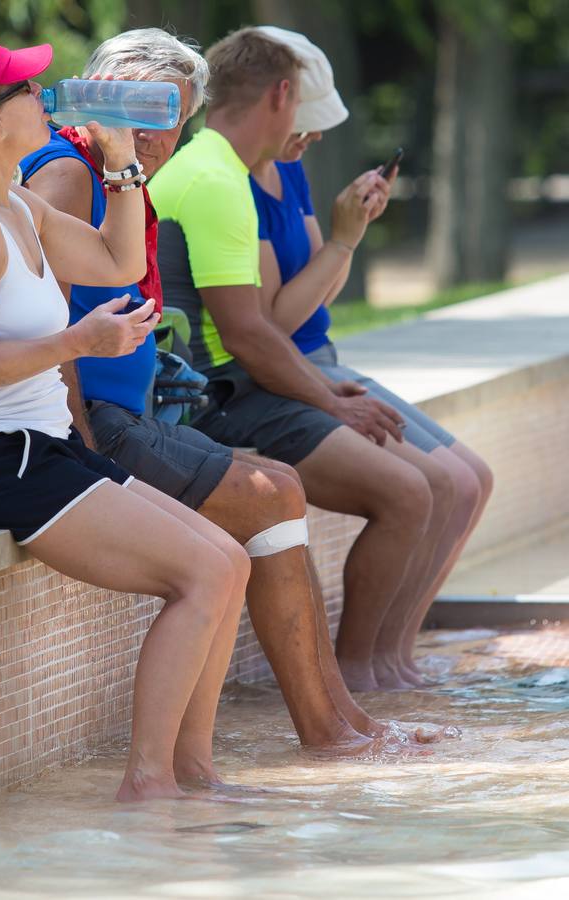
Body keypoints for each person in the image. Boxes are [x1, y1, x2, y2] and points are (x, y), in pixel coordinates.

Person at [20, 28, 423, 753]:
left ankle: (344, 720)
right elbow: (30, 315)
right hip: (85, 424)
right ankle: (330, 729)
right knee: (273, 495)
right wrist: (77, 444)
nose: (151, 136)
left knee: (278, 484)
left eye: (167, 116)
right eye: (136, 112)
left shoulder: (114, 175)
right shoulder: (70, 172)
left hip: (121, 412)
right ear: (96, 99)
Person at [0, 39, 252, 802]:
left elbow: (116, 263)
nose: (46, 94)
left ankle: (194, 772)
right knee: (199, 573)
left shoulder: (16, 204)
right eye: (25, 88)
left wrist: (122, 158)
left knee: (228, 559)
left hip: (40, 447)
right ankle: (149, 783)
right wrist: (78, 342)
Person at [149, 27, 451, 693]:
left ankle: (372, 676)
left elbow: (261, 330)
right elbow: (250, 335)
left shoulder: (226, 169)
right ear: (282, 95)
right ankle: (352, 681)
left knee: (423, 488)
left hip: (242, 382)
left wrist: (326, 391)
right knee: (407, 493)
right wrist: (330, 396)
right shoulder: (213, 180)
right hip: (220, 399)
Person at [248, 27, 493, 683]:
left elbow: (318, 292)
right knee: (432, 486)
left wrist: (347, 239)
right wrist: (343, 242)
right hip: (292, 371)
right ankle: (360, 667)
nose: (315, 137)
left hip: (321, 356)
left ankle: (394, 657)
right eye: (307, 122)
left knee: (474, 482)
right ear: (275, 103)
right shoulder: (234, 186)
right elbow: (273, 323)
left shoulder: (288, 170)